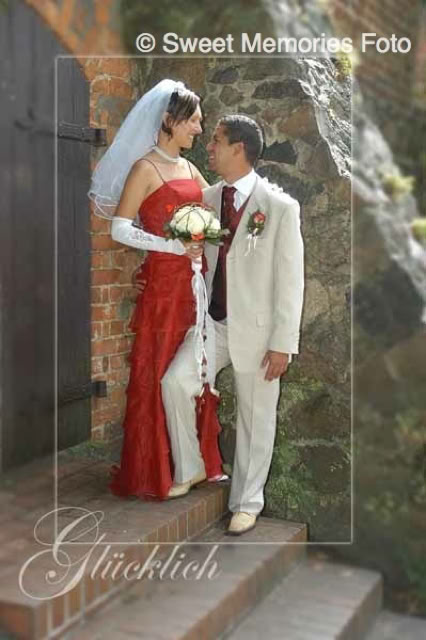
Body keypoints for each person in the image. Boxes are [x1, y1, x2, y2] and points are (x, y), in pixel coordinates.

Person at [160, 115, 305, 533]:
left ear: (238, 149)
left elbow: (290, 281)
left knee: (256, 421)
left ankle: (247, 502)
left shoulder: (279, 208)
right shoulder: (206, 199)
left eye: (217, 141)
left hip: (259, 333)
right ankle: (191, 468)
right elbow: (193, 251)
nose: (209, 147)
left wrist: (282, 343)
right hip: (213, 324)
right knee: (175, 382)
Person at [89, 79, 225, 500]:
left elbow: (213, 212)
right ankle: (158, 471)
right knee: (159, 373)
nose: (199, 129)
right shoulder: (145, 169)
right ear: (169, 120)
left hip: (194, 288)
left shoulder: (190, 169)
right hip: (163, 291)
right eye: (194, 121)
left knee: (190, 374)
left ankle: (195, 463)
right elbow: (119, 228)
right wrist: (171, 245)